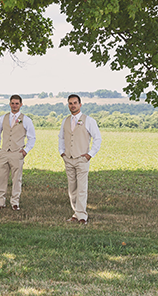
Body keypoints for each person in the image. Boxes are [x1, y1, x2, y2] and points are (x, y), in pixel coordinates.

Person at [58, 94, 102, 224]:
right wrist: (62, 152)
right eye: (70, 103)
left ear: (80, 104)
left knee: (82, 188)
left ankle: (82, 216)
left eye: (75, 103)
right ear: (68, 105)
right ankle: (76, 213)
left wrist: (90, 154)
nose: (73, 105)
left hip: (82, 159)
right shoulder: (65, 121)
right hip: (68, 158)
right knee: (72, 188)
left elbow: (97, 139)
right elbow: (61, 137)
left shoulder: (88, 120)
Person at [0, 94, 36, 211]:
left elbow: (32, 137)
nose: (14, 106)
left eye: (17, 103)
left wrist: (25, 151)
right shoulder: (3, 118)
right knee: (1, 178)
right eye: (12, 103)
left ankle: (15, 203)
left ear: (21, 104)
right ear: (10, 104)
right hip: (4, 152)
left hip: (17, 153)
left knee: (16, 179)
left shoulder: (26, 119)